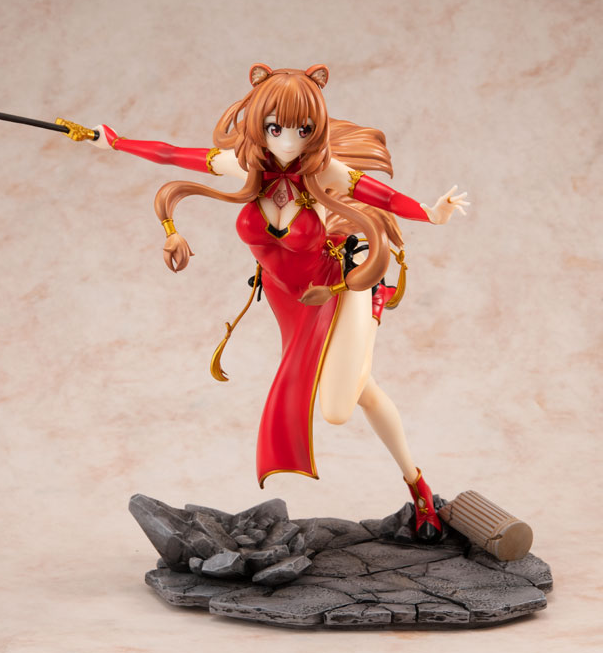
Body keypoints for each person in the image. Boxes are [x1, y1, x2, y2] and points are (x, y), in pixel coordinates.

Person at [89, 64, 469, 543]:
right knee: (363, 389)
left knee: (337, 408)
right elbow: (170, 154)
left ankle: (374, 306)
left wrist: (431, 214)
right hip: (287, 300)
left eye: (302, 130)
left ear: (316, 128)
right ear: (261, 125)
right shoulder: (242, 166)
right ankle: (419, 486)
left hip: (340, 285)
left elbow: (385, 197)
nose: (289, 142)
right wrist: (113, 141)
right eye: (276, 129)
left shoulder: (325, 171)